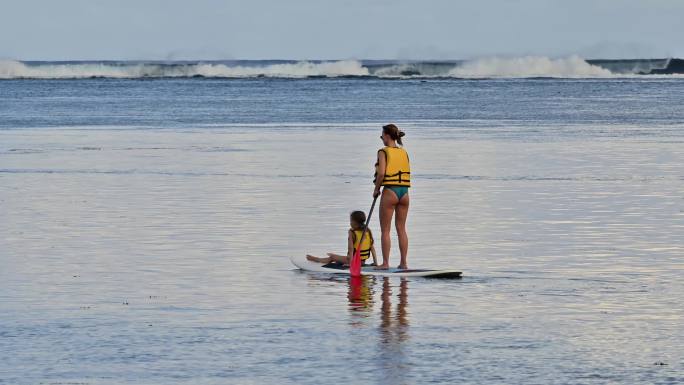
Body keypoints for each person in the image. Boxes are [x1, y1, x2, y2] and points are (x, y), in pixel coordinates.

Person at [373, 124, 410, 270]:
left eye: (382, 135)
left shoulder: (383, 152)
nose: (381, 138)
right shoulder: (404, 152)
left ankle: (386, 263)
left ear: (387, 136)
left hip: (390, 191)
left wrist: (376, 189)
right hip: (405, 193)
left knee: (385, 230)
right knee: (401, 229)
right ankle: (403, 263)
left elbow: (381, 173)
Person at [306, 211, 378, 266]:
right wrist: (375, 263)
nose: (350, 223)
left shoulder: (352, 232)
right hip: (362, 261)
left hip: (352, 261)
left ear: (355, 222)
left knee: (332, 257)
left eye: (351, 221)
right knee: (337, 259)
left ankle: (316, 259)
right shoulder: (367, 231)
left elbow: (351, 249)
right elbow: (372, 249)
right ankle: (333, 260)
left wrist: (350, 264)